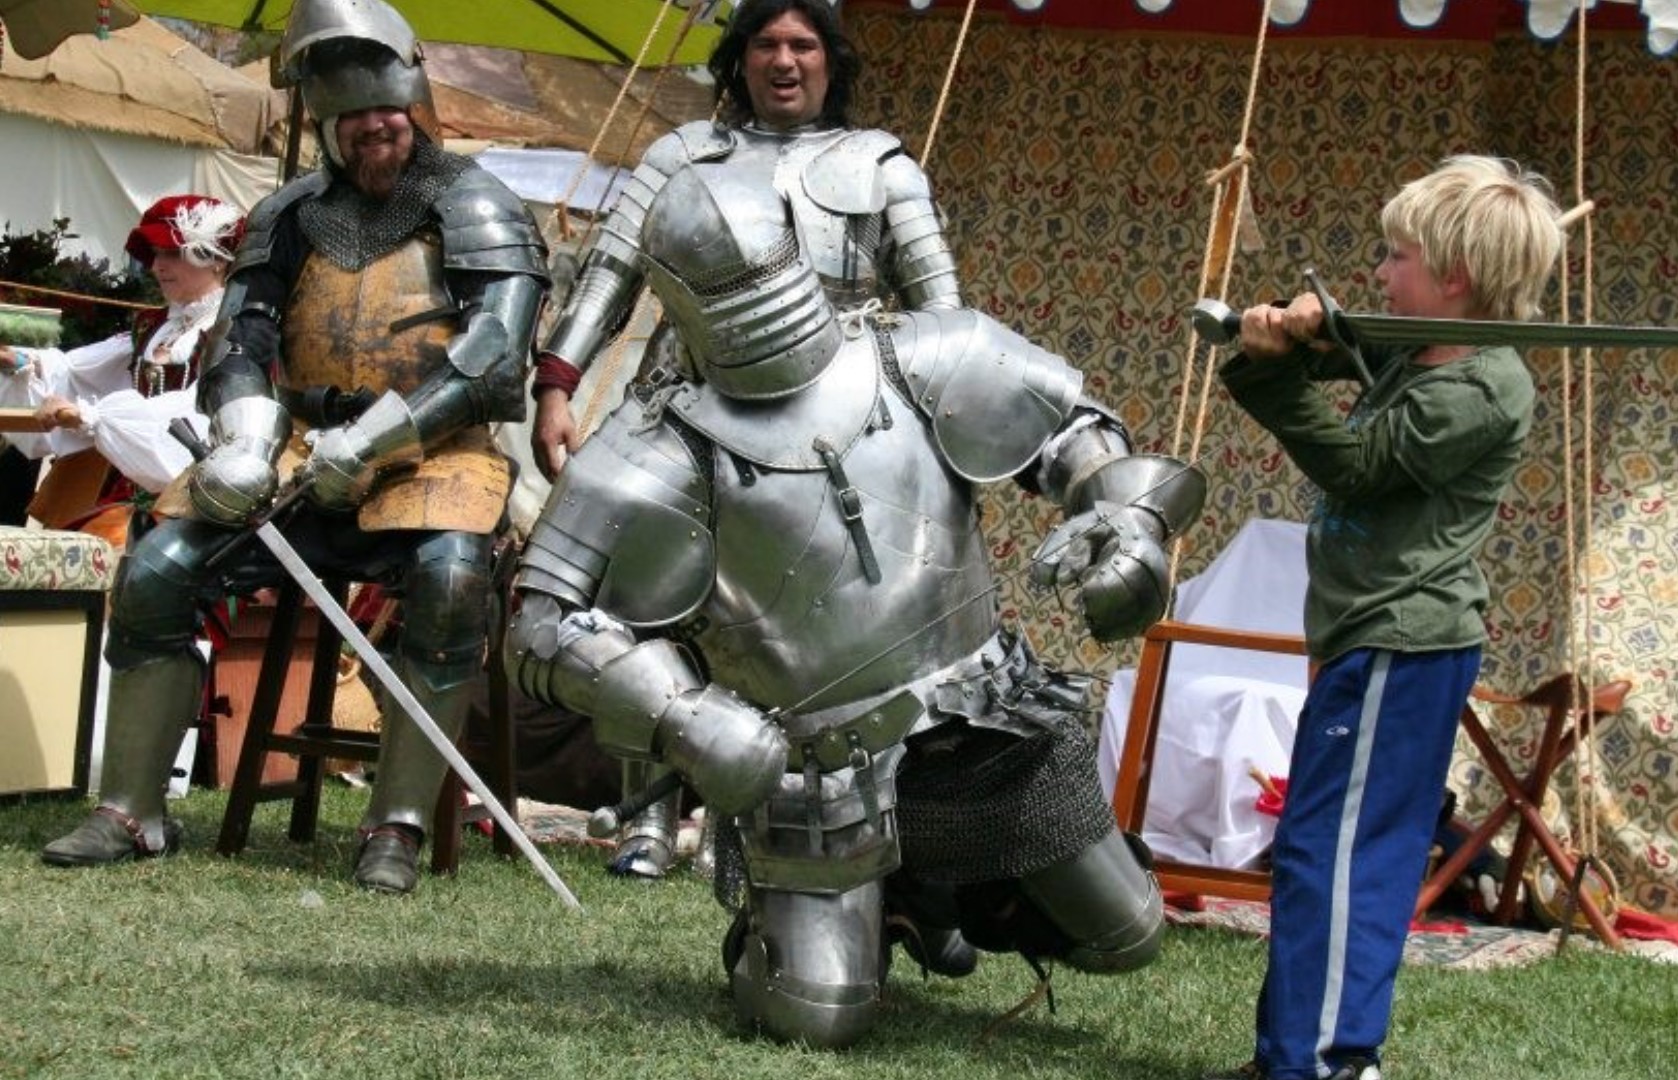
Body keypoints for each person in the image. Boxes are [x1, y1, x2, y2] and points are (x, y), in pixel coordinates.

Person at [507, 161, 1204, 1048]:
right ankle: (873, 908)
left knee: (1127, 934)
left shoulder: (919, 352)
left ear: (797, 251)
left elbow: (1080, 430)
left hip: (980, 707)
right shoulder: (655, 443)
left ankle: (933, 889)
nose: (753, 302)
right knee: (814, 1016)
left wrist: (1125, 518)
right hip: (813, 757)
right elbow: (540, 620)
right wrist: (682, 713)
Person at [39, 0, 549, 896]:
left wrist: (383, 431)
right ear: (325, 123)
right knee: (157, 569)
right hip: (299, 445)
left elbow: (495, 362)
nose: (371, 129)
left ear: (415, 103)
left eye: (384, 111)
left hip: (437, 450)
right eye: (350, 118)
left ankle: (391, 825)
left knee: (452, 580)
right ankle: (129, 808)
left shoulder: (476, 203)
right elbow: (241, 340)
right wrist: (243, 434)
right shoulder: (290, 212)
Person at [532, 0, 961, 883]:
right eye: (766, 42)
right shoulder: (679, 157)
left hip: (841, 424)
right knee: (643, 606)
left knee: (824, 625)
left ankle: (801, 828)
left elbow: (940, 314)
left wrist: (936, 426)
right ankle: (648, 822)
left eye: (803, 44)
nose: (784, 60)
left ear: (831, 59)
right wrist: (557, 385)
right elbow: (611, 273)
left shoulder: (879, 164)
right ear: (739, 57)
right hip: (684, 405)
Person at [1204, 156, 1562, 1080]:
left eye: (1396, 256)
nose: (1379, 273)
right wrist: (1297, 327)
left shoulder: (1483, 387)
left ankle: (1325, 1061)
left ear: (1455, 277)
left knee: (1335, 856)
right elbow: (1349, 345)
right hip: (1369, 634)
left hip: (1404, 640)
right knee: (1324, 852)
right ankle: (1300, 1053)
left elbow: (1358, 464)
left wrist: (1275, 373)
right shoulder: (1416, 348)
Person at [0, 196, 244, 548]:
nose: (158, 266)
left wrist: (91, 416)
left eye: (172, 254)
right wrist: (20, 362)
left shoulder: (232, 330)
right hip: (129, 485)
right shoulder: (154, 326)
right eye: (155, 254)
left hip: (196, 491)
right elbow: (76, 370)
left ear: (217, 261)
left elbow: (197, 410)